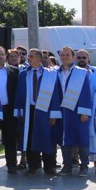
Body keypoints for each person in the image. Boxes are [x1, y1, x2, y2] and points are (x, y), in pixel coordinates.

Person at [15, 48, 62, 176]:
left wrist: (54, 114)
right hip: (29, 110)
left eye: (31, 56)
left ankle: (49, 166)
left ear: (39, 59)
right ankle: (33, 165)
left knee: (47, 138)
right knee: (30, 139)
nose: (28, 58)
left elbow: (55, 95)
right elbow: (19, 94)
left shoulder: (50, 74)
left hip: (45, 109)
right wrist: (20, 112)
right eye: (28, 56)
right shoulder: (23, 74)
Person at [55, 47, 93, 176]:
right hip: (63, 110)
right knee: (65, 138)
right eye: (62, 55)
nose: (64, 57)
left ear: (73, 57)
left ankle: (84, 166)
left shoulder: (81, 73)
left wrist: (84, 112)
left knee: (82, 138)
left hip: (78, 110)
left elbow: (86, 93)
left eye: (67, 55)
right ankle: (67, 165)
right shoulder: (56, 72)